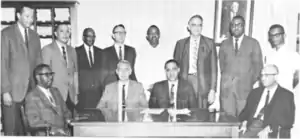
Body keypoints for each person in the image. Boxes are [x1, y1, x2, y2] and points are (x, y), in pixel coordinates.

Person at [0, 5, 42, 135]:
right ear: (18, 15)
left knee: (27, 131)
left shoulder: (35, 36)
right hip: (12, 91)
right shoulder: (6, 34)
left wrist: (40, 88)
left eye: (32, 16)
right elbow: (2, 63)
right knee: (11, 130)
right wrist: (5, 91)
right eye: (27, 16)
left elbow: (39, 63)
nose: (30, 20)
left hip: (31, 92)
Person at [219, 15, 263, 121]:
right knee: (227, 123)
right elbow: (222, 66)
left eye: (239, 25)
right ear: (230, 27)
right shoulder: (224, 44)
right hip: (227, 91)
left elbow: (258, 67)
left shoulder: (253, 43)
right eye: (233, 25)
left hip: (245, 90)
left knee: (244, 122)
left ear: (244, 26)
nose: (236, 27)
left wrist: (247, 81)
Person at [239, 64, 295, 139]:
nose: (263, 78)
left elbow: (288, 120)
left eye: (266, 75)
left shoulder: (286, 95)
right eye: (262, 75)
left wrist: (270, 128)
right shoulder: (255, 92)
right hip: (253, 125)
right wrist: (244, 122)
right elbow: (245, 112)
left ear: (275, 77)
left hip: (272, 129)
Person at [173, 15, 217, 109]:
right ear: (188, 27)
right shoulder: (180, 44)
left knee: (201, 116)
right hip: (185, 82)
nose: (197, 28)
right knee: (184, 114)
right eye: (194, 25)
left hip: (202, 85)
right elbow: (175, 68)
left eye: (199, 25)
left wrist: (213, 90)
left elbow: (214, 69)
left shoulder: (209, 43)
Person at [24, 64, 72, 136]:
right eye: (46, 75)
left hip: (65, 133)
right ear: (38, 77)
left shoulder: (56, 91)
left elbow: (66, 111)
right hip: (47, 134)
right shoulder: (32, 96)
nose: (51, 77)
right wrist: (54, 129)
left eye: (51, 74)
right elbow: (33, 121)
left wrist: (68, 119)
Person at [42, 24, 78, 113]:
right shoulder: (47, 49)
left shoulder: (72, 50)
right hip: (54, 95)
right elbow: (44, 75)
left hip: (71, 95)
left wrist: (76, 93)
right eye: (61, 31)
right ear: (55, 33)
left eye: (67, 31)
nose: (65, 34)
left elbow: (75, 72)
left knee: (71, 124)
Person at [135, 25, 172, 99]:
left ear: (159, 35)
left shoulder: (167, 50)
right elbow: (137, 71)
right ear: (147, 37)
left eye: (156, 33)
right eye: (151, 34)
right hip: (146, 89)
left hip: (163, 89)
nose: (154, 35)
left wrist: (163, 87)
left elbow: (170, 70)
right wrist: (146, 86)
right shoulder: (141, 51)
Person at [265, 24, 300, 92]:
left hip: (286, 93)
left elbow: (297, 77)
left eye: (277, 35)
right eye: (272, 36)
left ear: (284, 36)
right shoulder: (269, 56)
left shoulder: (293, 55)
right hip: (271, 93)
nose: (274, 38)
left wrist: (288, 91)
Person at [76, 28, 105, 110]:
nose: (91, 39)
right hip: (82, 95)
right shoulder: (76, 52)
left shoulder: (101, 52)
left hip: (98, 95)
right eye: (88, 36)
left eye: (93, 36)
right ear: (83, 37)